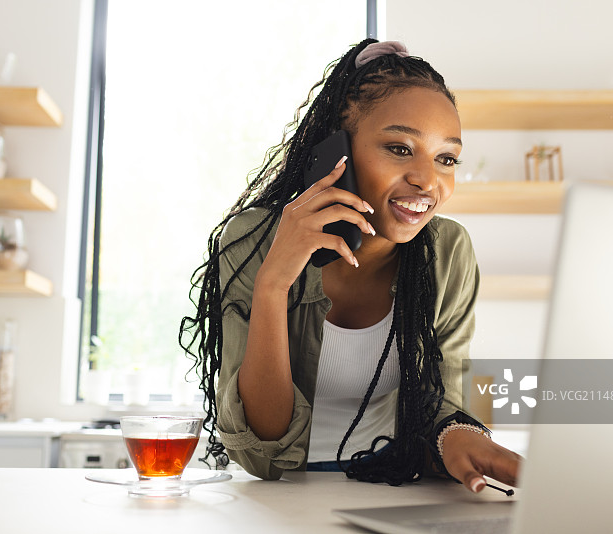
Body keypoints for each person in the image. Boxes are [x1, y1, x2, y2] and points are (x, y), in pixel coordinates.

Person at [179, 38, 521, 492]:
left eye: (446, 158)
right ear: (338, 150)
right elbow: (261, 451)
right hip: (279, 496)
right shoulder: (254, 240)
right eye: (400, 148)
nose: (427, 180)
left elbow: (442, 398)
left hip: (389, 484)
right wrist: (274, 282)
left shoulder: (448, 250)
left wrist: (457, 434)